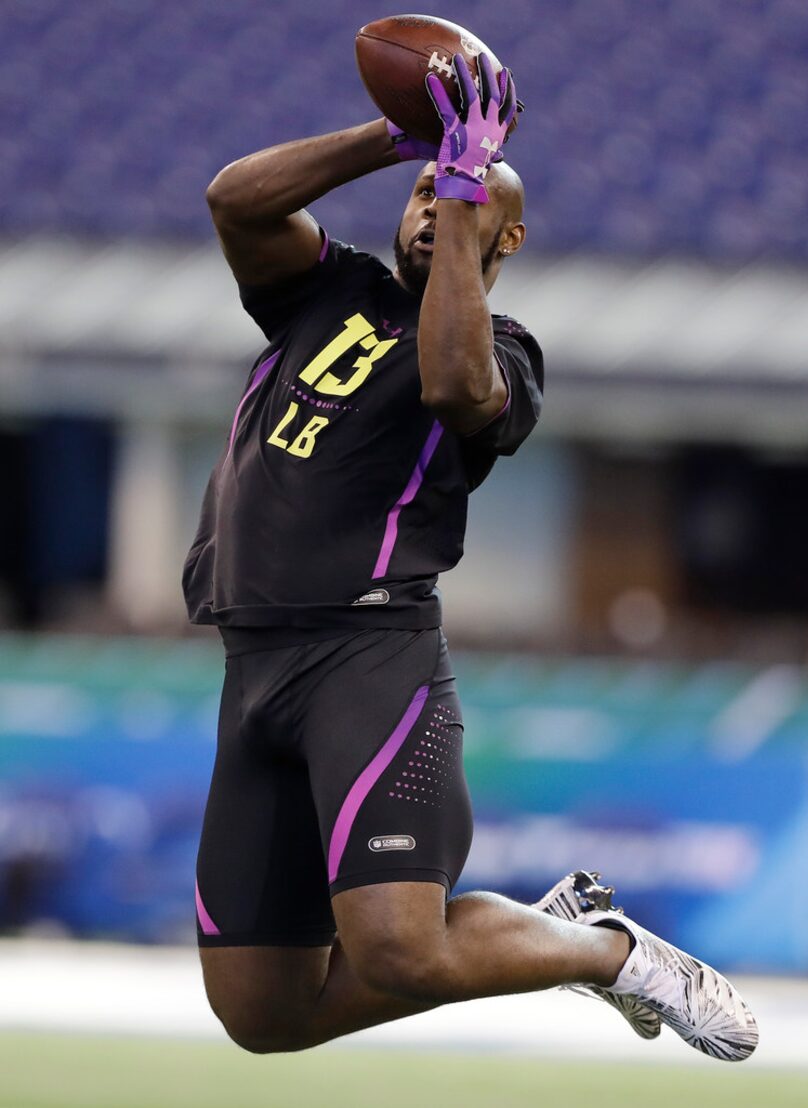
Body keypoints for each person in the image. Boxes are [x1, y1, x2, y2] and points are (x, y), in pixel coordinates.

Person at [182, 55, 757, 1062]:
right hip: (252, 664)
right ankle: (544, 928)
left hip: (367, 664)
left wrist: (460, 195)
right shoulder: (331, 289)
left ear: (505, 234)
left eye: (455, 197)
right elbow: (235, 200)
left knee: (401, 950)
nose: (428, 206)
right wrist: (397, 135)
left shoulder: (507, 350)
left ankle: (604, 951)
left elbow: (454, 382)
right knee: (260, 1013)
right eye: (418, 193)